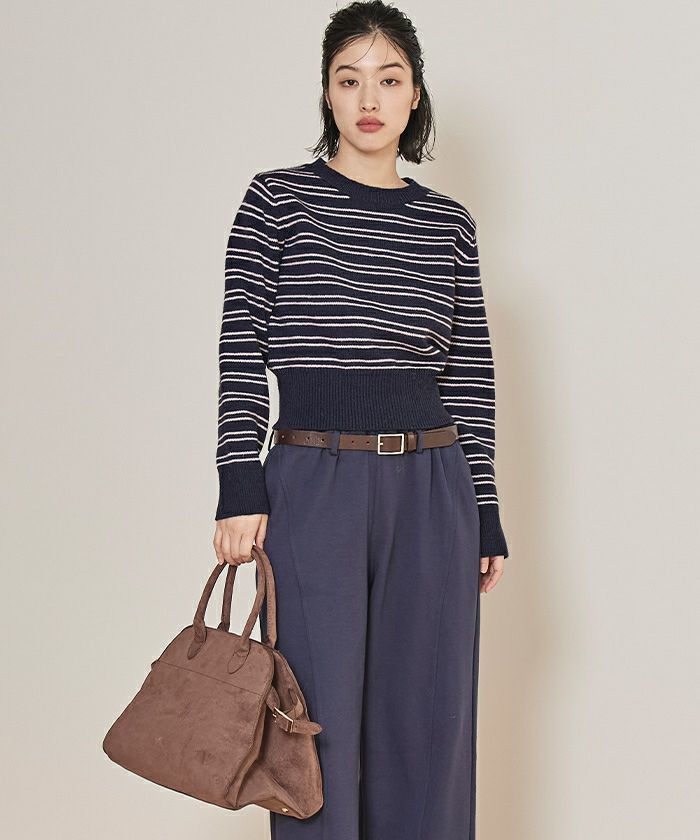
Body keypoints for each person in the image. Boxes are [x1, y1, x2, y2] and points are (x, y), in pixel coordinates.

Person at [212, 2, 509, 837]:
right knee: (313, 727)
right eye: (349, 80)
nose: (369, 99)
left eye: (389, 79)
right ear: (327, 93)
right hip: (313, 480)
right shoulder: (276, 201)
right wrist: (239, 483)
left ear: (415, 96)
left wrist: (484, 510)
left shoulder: (449, 224)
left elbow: (469, 377)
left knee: (427, 727)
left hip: (433, 487)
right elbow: (240, 346)